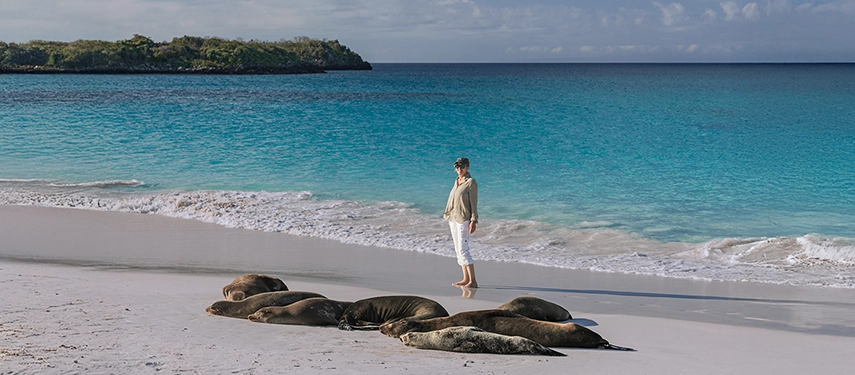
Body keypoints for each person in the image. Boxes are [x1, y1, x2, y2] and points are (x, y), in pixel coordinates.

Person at [444, 157, 479, 288]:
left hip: (463, 219)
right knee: (458, 250)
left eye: (462, 167)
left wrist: (474, 220)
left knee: (464, 250)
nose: (459, 169)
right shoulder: (457, 181)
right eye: (457, 167)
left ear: (467, 167)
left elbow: (474, 203)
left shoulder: (470, 182)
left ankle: (473, 281)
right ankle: (465, 278)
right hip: (453, 218)